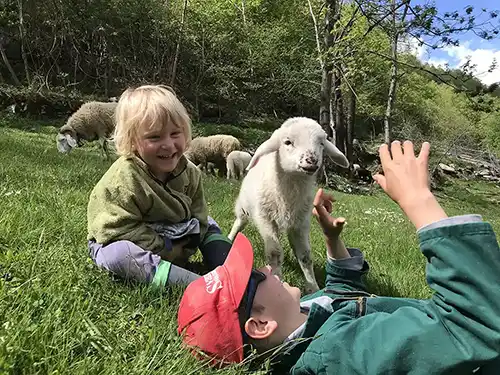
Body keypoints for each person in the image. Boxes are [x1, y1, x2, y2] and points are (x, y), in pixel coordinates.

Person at [177, 140, 500, 374]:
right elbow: (473, 323)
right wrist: (420, 201)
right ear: (260, 325)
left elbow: (340, 296)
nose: (264, 267)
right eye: (255, 277)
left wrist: (332, 240)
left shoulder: (305, 317)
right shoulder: (342, 353)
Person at [87, 85, 232, 288]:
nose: (168, 145)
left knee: (209, 225)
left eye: (175, 134)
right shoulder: (124, 180)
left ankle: (232, 271)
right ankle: (198, 286)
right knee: (119, 256)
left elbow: (198, 213)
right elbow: (115, 230)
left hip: (174, 231)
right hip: (130, 239)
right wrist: (165, 248)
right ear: (132, 141)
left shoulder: (190, 172)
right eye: (154, 137)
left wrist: (190, 240)